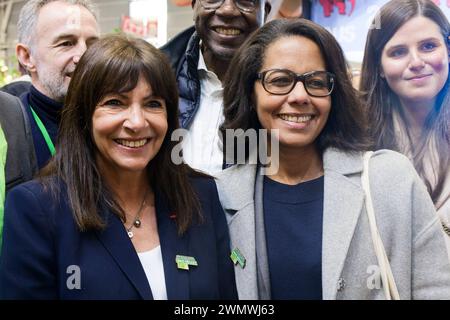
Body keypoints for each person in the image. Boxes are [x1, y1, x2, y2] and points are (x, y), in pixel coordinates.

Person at [217, 18, 450, 299]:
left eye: (316, 82)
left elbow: (436, 288)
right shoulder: (220, 194)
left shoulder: (389, 178)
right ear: (249, 93)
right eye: (280, 81)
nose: (300, 96)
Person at [0, 34, 237, 300]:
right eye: (115, 103)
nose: (136, 122)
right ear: (84, 114)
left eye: (152, 104)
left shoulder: (201, 197)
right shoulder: (37, 209)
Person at [360, 0, 450, 248]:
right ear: (379, 66)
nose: (417, 62)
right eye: (398, 52)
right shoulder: (355, 143)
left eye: (429, 46)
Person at [161, 0, 271, 175]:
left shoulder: (283, 90)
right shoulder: (157, 78)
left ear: (265, 10)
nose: (228, 10)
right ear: (194, 5)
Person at [15, 0, 100, 170]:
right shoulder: (9, 132)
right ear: (27, 57)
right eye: (66, 43)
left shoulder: (117, 122)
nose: (84, 56)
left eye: (92, 45)